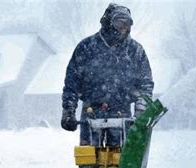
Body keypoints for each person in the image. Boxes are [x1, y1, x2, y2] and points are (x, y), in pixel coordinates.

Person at [60, 3, 154, 147]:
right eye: (119, 22)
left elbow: (145, 84)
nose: (123, 27)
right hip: (91, 113)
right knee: (89, 159)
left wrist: (141, 110)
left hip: (122, 113)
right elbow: (72, 82)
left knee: (121, 161)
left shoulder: (135, 51)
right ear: (108, 22)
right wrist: (68, 110)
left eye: (127, 23)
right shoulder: (86, 48)